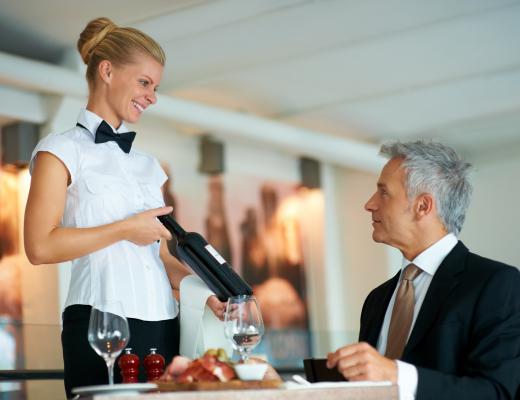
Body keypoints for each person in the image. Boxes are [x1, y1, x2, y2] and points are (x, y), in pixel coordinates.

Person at [23, 17, 225, 398]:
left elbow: (158, 257)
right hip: (101, 322)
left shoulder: (148, 165)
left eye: (155, 87)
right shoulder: (60, 150)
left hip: (164, 322)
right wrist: (124, 229)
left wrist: (205, 291)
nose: (152, 96)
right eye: (145, 82)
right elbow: (39, 247)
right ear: (108, 71)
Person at [326, 141, 520, 399]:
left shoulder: (496, 284)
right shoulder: (376, 299)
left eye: (383, 192)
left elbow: (496, 392)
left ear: (423, 206)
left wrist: (397, 375)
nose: (370, 204)